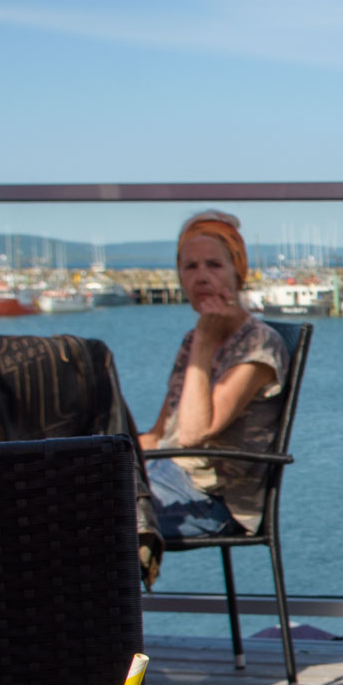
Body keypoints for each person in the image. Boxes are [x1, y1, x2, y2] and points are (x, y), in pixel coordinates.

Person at [138, 211, 289, 543]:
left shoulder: (259, 344)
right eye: (190, 267)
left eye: (214, 265)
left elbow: (192, 434)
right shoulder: (194, 340)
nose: (201, 277)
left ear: (238, 273)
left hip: (216, 499)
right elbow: (161, 433)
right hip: (165, 471)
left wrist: (205, 343)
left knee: (95, 522)